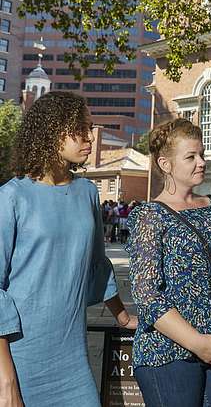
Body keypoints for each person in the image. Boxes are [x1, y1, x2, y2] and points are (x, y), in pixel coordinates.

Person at [0, 91, 136, 407]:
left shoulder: (87, 192)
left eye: (90, 127)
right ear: (51, 132)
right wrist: (6, 379)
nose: (90, 137)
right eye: (80, 128)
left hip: (73, 360)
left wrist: (123, 317)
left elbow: (97, 266)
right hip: (18, 358)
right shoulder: (11, 197)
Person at [126, 118, 211, 407]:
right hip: (167, 353)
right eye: (191, 157)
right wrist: (197, 343)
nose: (202, 162)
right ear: (166, 164)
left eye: (202, 154)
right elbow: (147, 295)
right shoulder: (149, 216)